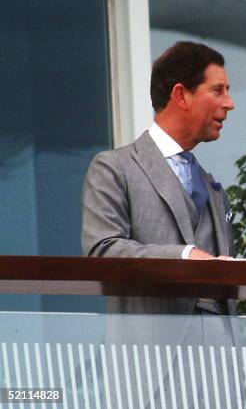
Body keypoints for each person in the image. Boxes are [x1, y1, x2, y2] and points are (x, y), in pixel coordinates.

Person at [81, 41, 236, 316]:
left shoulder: (214, 189)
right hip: (148, 354)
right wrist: (185, 257)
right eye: (217, 90)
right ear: (181, 95)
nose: (229, 103)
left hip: (218, 355)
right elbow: (102, 252)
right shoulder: (115, 168)